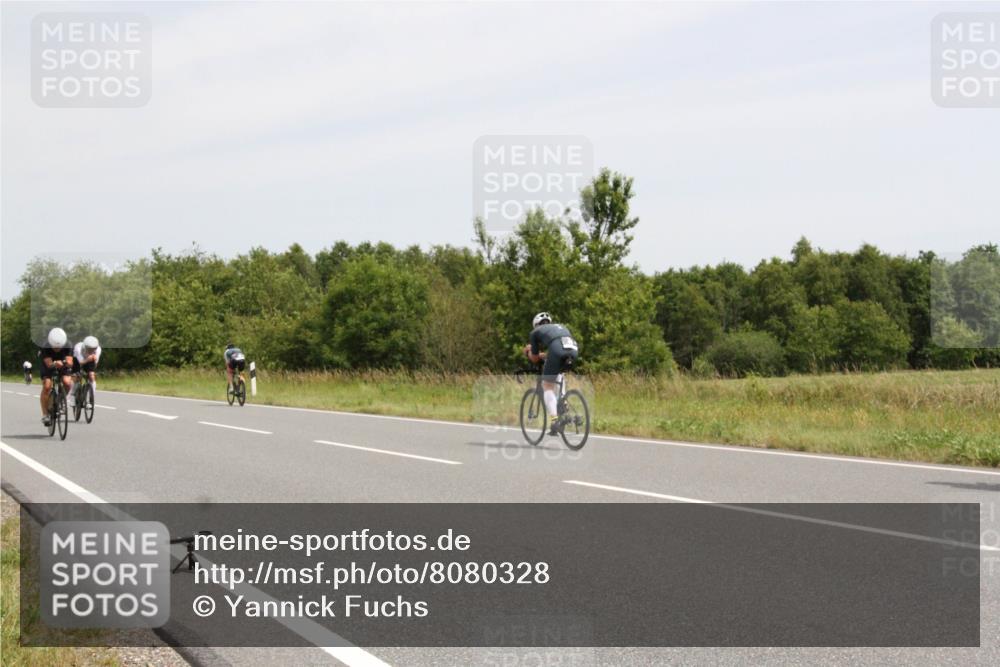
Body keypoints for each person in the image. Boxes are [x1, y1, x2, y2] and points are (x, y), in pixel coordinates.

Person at [523, 312, 579, 435]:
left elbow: (535, 358)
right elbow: (553, 353)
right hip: (573, 349)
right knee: (559, 374)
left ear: (536, 325)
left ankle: (554, 421)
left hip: (557, 348)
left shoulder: (535, 333)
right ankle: (563, 405)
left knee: (547, 386)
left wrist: (528, 352)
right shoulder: (558, 327)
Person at [38, 327, 74, 426]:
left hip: (63, 362)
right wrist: (55, 363)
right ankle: (45, 414)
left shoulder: (68, 344)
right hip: (48, 363)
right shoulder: (45, 346)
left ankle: (61, 400)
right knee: (47, 386)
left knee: (67, 382)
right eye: (54, 347)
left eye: (59, 347)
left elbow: (70, 362)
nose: (57, 349)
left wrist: (66, 362)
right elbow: (49, 364)